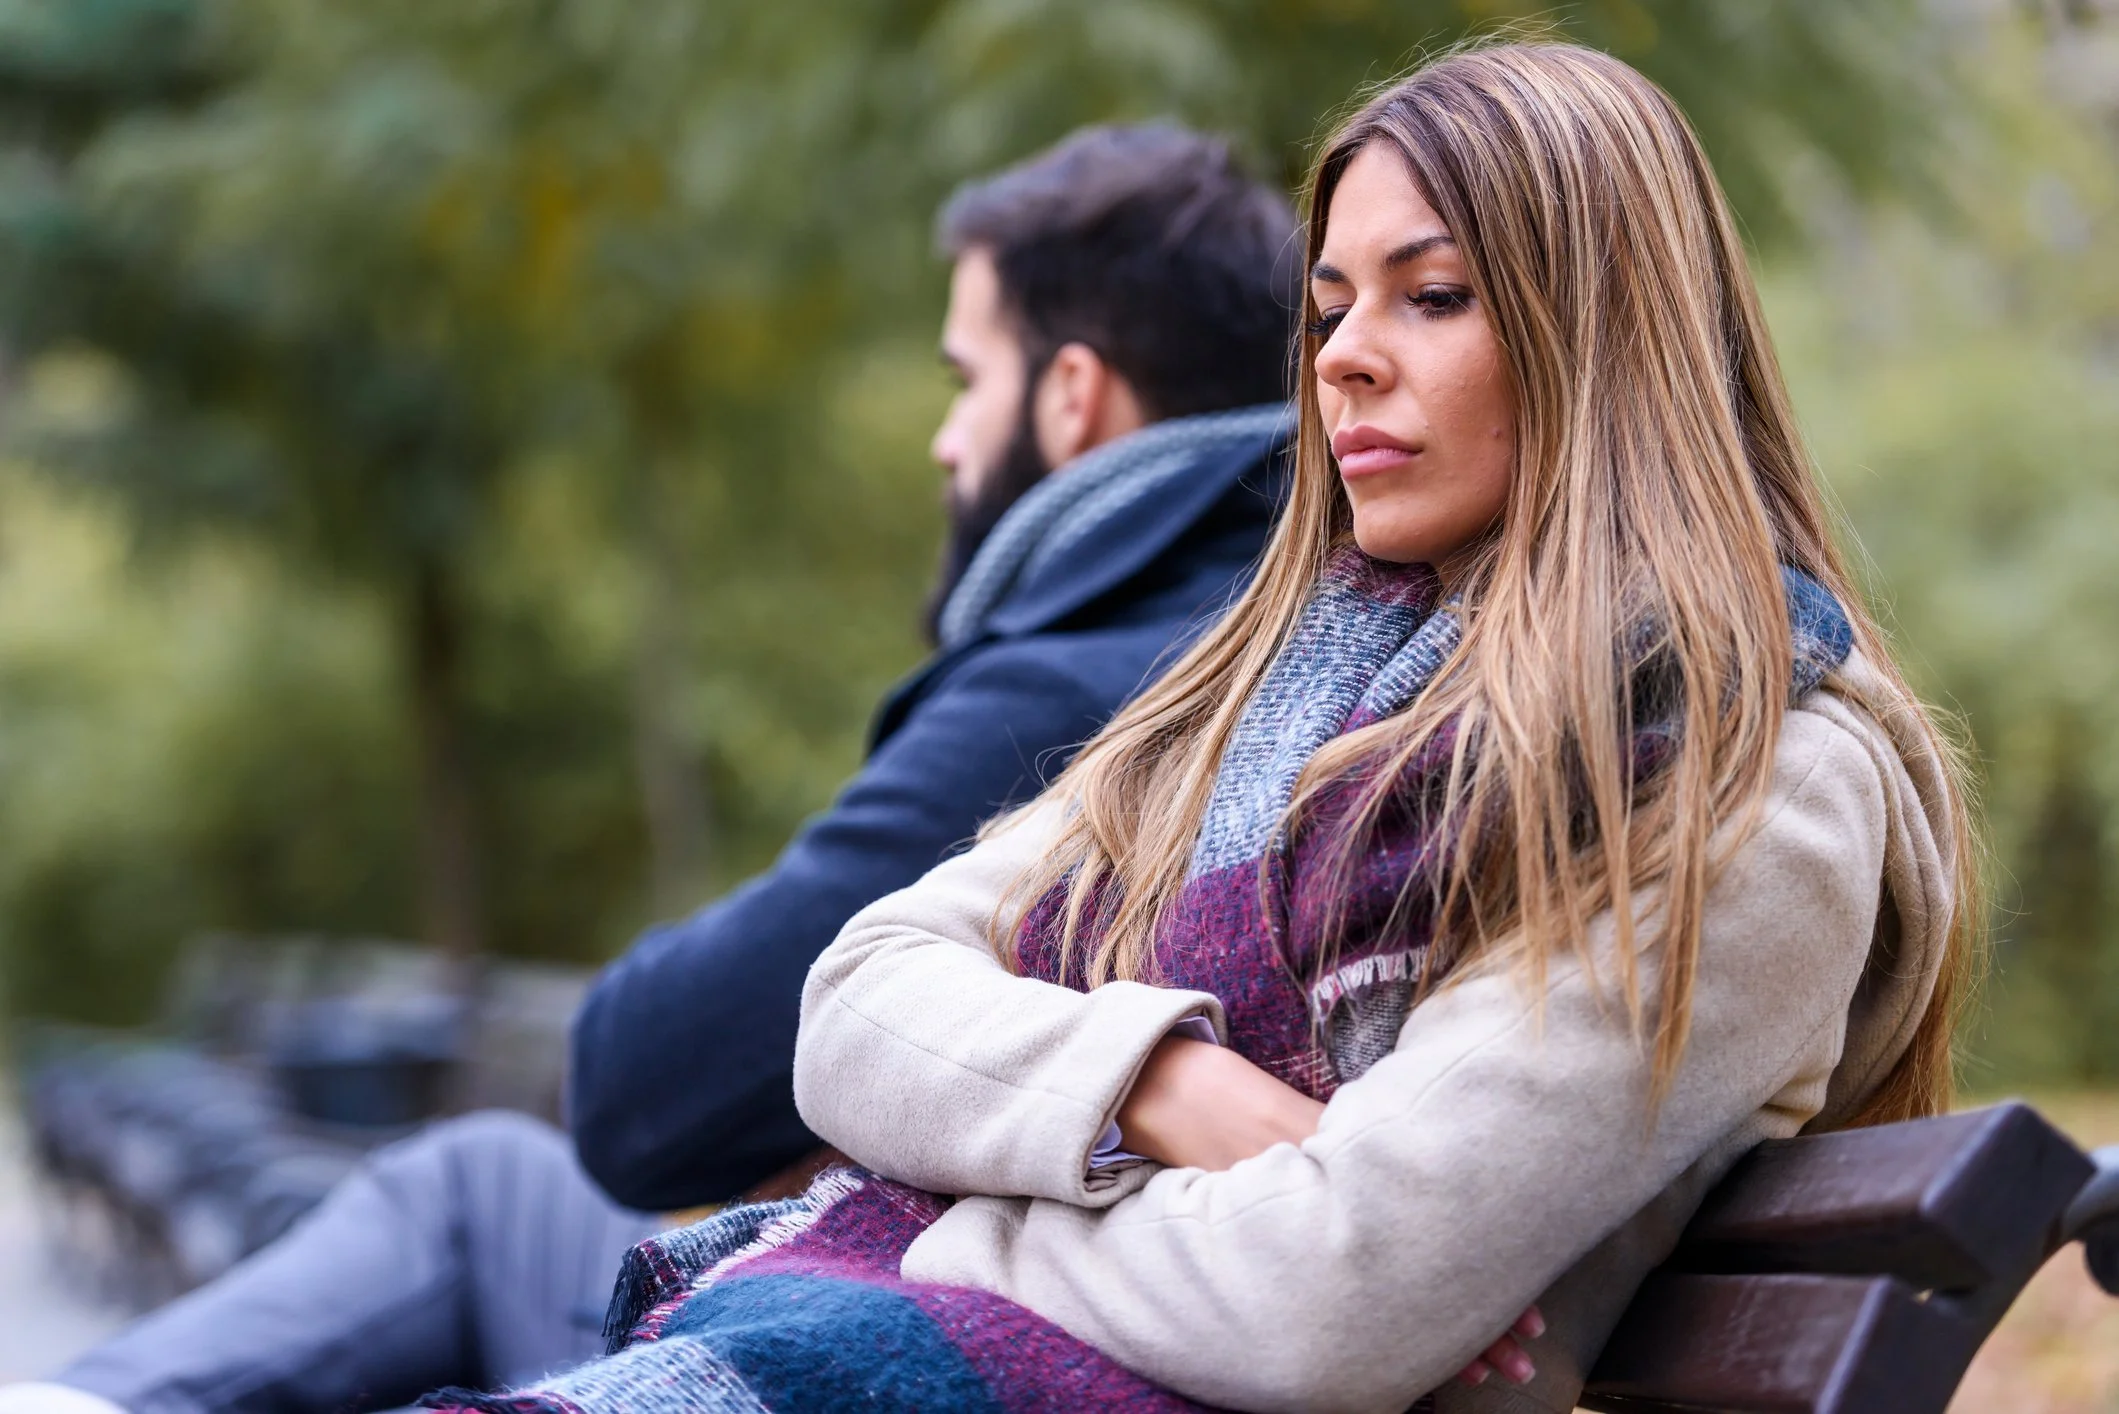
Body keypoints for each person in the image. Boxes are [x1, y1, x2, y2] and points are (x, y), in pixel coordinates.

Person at [419, 40, 1980, 1414]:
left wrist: (957, 1219)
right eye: (1328, 307)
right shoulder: (1260, 692)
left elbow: (1329, 1291)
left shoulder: (1746, 779)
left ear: (1607, 336)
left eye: (1432, 295)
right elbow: (856, 999)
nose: (1341, 355)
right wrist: (1156, 1086)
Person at [0, 123, 1300, 1414]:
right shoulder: (1297, 655)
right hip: (1021, 1313)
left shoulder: (1090, 690)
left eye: (968, 379)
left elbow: (647, 1087)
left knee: (484, 1192)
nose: (945, 441)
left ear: (1073, 396)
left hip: (921, 1338)